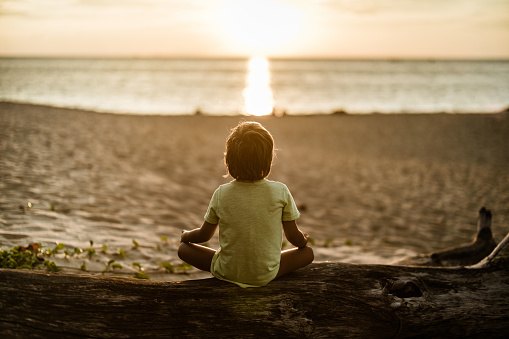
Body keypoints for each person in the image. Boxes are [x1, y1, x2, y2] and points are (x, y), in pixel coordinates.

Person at [178, 121, 314, 288]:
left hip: (227, 271)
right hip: (265, 275)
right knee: (307, 254)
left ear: (229, 159)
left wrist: (186, 236)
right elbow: (293, 237)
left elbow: (204, 236)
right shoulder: (281, 191)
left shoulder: (221, 193)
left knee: (183, 250)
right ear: (268, 159)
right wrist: (304, 240)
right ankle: (262, 266)